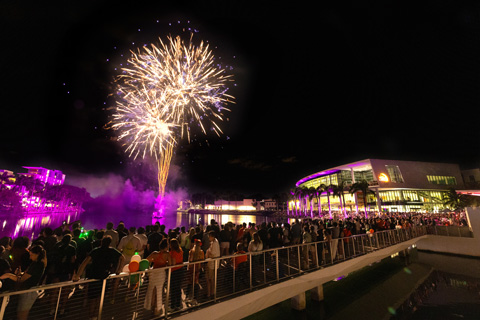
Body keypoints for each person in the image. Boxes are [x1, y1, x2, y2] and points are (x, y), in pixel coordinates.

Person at [73, 236, 124, 320]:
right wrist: (119, 270)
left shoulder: (96, 250)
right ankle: (96, 316)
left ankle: (91, 316)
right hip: (105, 277)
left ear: (101, 242)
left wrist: (78, 275)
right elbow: (122, 257)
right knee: (100, 298)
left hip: (94, 276)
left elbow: (84, 262)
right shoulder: (112, 251)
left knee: (92, 298)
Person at [0, 245, 46, 320]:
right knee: (21, 313)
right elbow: (27, 275)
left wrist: (9, 275)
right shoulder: (38, 264)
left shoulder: (37, 265)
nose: (30, 257)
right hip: (28, 290)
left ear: (37, 254)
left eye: (31, 255)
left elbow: (21, 279)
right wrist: (20, 274)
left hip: (29, 291)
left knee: (22, 315)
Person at [144, 239, 172, 316]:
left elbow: (146, 260)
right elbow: (170, 264)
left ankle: (150, 307)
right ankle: (157, 309)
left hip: (153, 273)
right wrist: (165, 262)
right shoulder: (167, 254)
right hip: (161, 274)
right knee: (159, 291)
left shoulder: (154, 253)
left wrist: (154, 260)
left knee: (151, 290)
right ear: (166, 246)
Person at [186, 239, 204, 305]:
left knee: (189, 283)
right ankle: (194, 299)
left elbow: (189, 260)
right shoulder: (201, 252)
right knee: (196, 284)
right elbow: (202, 261)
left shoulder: (191, 251)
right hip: (197, 269)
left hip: (191, 269)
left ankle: (187, 297)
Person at [169, 238, 184, 310]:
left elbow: (173, 263)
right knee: (178, 288)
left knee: (173, 288)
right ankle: (178, 304)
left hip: (174, 271)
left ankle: (172, 305)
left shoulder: (173, 252)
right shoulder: (180, 250)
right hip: (180, 270)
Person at [205, 231, 220, 298]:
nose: (208, 238)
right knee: (211, 278)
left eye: (209, 236)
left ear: (212, 236)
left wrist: (208, 253)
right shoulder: (215, 242)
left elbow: (213, 253)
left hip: (212, 264)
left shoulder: (214, 244)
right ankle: (211, 292)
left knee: (210, 278)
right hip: (213, 263)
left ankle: (210, 293)